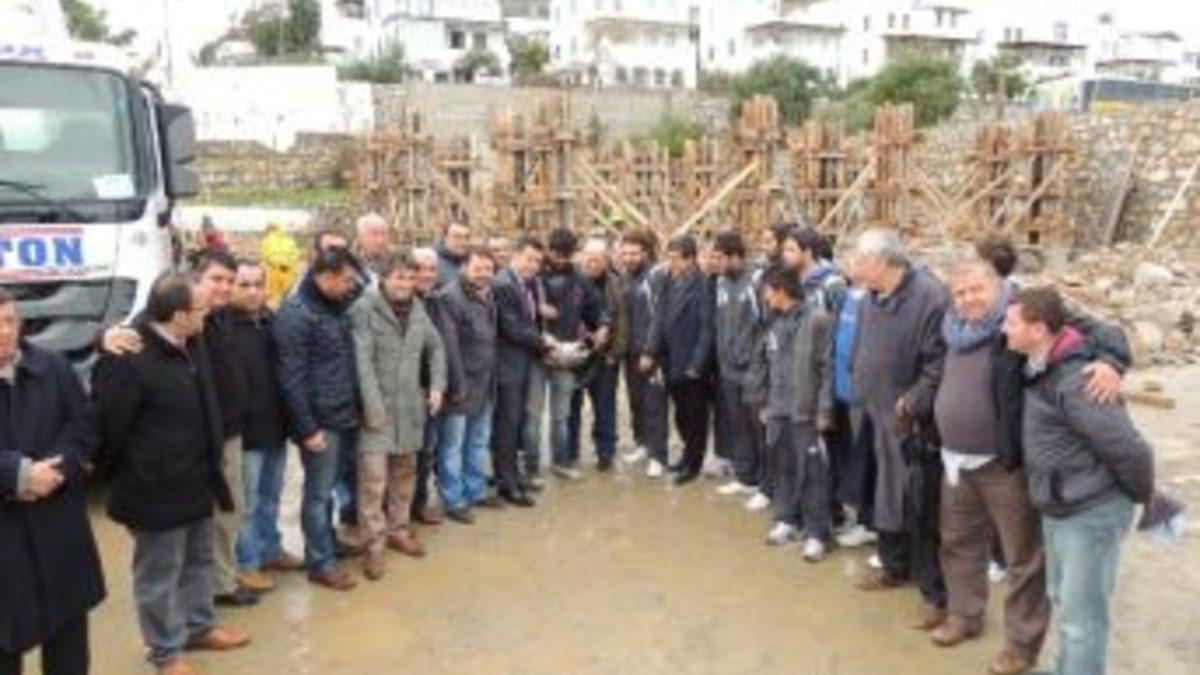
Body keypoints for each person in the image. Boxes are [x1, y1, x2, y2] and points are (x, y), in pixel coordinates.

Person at [931, 258, 1132, 674]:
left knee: (1023, 557)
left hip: (1005, 463)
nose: (967, 299)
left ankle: (1021, 646)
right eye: (959, 292)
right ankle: (964, 614)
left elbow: (1105, 332)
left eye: (976, 290)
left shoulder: (1021, 312)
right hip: (956, 458)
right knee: (958, 541)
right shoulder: (952, 325)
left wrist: (1112, 362)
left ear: (997, 286)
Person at [93, 273, 250, 675]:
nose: (207, 315)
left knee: (198, 560)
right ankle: (164, 654)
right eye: (200, 310)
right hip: (154, 489)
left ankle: (199, 627)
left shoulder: (190, 341)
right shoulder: (129, 357)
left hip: (197, 479)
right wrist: (135, 474)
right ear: (178, 315)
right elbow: (109, 431)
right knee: (159, 576)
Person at [1004, 286, 1155, 675]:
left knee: (1082, 618)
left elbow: (1130, 449)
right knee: (1062, 600)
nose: (1003, 329)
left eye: (1012, 323)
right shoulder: (1041, 365)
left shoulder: (1077, 381)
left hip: (1089, 512)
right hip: (1061, 505)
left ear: (1038, 329)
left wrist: (1146, 497)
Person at [0, 291, 106, 675]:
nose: (4, 332)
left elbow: (84, 428)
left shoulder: (53, 367)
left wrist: (56, 472)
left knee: (68, 647)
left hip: (58, 529)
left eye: (9, 321)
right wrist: (17, 475)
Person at [850, 229, 949, 631]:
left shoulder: (930, 297)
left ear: (882, 261)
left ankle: (935, 596)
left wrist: (913, 400)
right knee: (884, 497)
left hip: (913, 425)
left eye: (859, 260)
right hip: (875, 415)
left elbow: (939, 362)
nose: (853, 267)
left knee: (920, 507)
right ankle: (894, 567)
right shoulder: (871, 297)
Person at [351, 252, 447, 580]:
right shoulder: (364, 309)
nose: (405, 283)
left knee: (405, 474)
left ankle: (399, 530)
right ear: (383, 278)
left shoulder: (418, 309)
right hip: (376, 410)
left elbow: (437, 348)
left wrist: (437, 386)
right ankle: (373, 546)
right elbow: (362, 362)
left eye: (409, 277)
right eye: (398, 277)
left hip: (410, 408)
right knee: (373, 482)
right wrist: (372, 407)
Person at [275, 247, 363, 591]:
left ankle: (328, 543)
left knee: (331, 488)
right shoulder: (297, 315)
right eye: (346, 280)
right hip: (320, 420)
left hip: (343, 412)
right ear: (324, 277)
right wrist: (307, 428)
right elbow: (291, 378)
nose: (352, 287)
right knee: (318, 493)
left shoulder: (335, 306)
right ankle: (320, 562)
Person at [230, 259, 305, 594]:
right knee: (246, 504)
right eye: (244, 285)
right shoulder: (219, 326)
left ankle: (270, 549)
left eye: (258, 285)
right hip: (244, 434)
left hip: (275, 427)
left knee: (271, 497)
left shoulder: (270, 321)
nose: (252, 292)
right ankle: (247, 564)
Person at [756, 266, 835, 562]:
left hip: (806, 412)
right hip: (778, 409)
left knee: (813, 473)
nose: (764, 297)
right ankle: (786, 519)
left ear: (781, 291)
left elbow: (828, 368)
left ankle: (817, 534)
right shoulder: (773, 321)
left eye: (767, 291)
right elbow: (769, 364)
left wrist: (824, 410)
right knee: (782, 467)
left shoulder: (818, 320)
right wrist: (766, 403)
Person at [435, 247, 503, 524]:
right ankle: (454, 499)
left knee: (477, 440)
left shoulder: (488, 294)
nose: (483, 274)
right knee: (452, 446)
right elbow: (449, 346)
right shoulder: (449, 298)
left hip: (485, 382)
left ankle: (476, 490)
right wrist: (456, 385)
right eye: (477, 268)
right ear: (464, 267)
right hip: (461, 385)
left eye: (488, 269)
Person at [640, 234, 714, 486]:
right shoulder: (666, 280)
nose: (670, 263)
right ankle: (685, 455)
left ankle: (694, 463)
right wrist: (650, 350)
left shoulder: (703, 285)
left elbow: (707, 329)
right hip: (669, 358)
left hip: (691, 360)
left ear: (690, 259)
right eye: (668, 257)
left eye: (675, 259)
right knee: (681, 414)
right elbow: (658, 319)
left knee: (695, 415)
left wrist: (696, 364)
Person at [492, 236, 556, 506]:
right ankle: (507, 484)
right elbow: (511, 328)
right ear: (515, 255)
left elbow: (525, 322)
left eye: (538, 261)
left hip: (520, 363)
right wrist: (544, 342)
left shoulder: (523, 283)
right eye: (529, 259)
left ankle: (513, 476)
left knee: (515, 423)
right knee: (507, 426)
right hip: (507, 366)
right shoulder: (504, 284)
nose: (533, 265)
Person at [540, 228, 608, 481]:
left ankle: (562, 461)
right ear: (548, 250)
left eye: (566, 256)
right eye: (556, 255)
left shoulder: (580, 279)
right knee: (529, 416)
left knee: (561, 415)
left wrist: (603, 325)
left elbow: (596, 308)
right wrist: (537, 308)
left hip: (565, 356)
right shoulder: (535, 274)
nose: (561, 260)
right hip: (533, 354)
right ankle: (528, 465)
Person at [709, 230, 765, 498]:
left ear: (735, 257)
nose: (715, 263)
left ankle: (765, 484)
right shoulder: (721, 282)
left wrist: (758, 363)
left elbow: (766, 325)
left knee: (759, 429)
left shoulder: (757, 281)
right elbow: (720, 323)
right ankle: (745, 477)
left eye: (719, 257)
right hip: (729, 369)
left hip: (753, 369)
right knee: (738, 425)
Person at [568, 236, 627, 472]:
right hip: (573, 357)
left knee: (605, 407)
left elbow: (622, 321)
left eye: (599, 259)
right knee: (570, 409)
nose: (593, 263)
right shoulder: (570, 280)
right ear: (581, 257)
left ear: (607, 260)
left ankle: (606, 453)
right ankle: (569, 452)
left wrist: (615, 353)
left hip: (604, 357)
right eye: (589, 258)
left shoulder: (615, 284)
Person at [409, 247, 458, 525]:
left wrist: (441, 385)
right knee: (403, 458)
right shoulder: (398, 303)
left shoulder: (435, 301)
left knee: (426, 453)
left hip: (432, 392)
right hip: (406, 394)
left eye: (431, 269)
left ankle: (418, 505)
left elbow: (441, 348)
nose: (427, 274)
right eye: (420, 269)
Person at [618, 229, 670, 478]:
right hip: (629, 350)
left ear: (646, 253)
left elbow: (659, 316)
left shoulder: (656, 276)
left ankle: (658, 455)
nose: (628, 258)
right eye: (625, 253)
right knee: (635, 400)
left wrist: (650, 351)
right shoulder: (625, 277)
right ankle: (643, 443)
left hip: (650, 352)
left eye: (634, 253)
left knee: (654, 404)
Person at [354, 212, 392, 278]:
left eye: (383, 234)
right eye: (374, 234)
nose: (380, 240)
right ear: (361, 236)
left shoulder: (396, 261)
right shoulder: (349, 263)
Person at [436, 221, 471, 288]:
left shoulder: (471, 261)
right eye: (457, 237)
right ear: (445, 238)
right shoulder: (432, 263)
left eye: (467, 237)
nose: (463, 242)